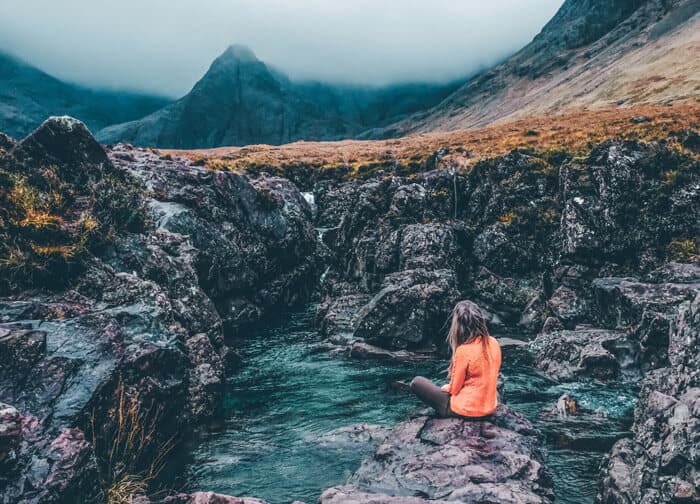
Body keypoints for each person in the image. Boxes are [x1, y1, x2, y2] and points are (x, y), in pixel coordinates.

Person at [410, 300, 501, 419]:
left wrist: (445, 387)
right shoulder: (493, 342)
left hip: (465, 410)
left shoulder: (463, 350)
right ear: (481, 321)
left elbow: (454, 389)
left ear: (458, 326)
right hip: (489, 408)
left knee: (417, 382)